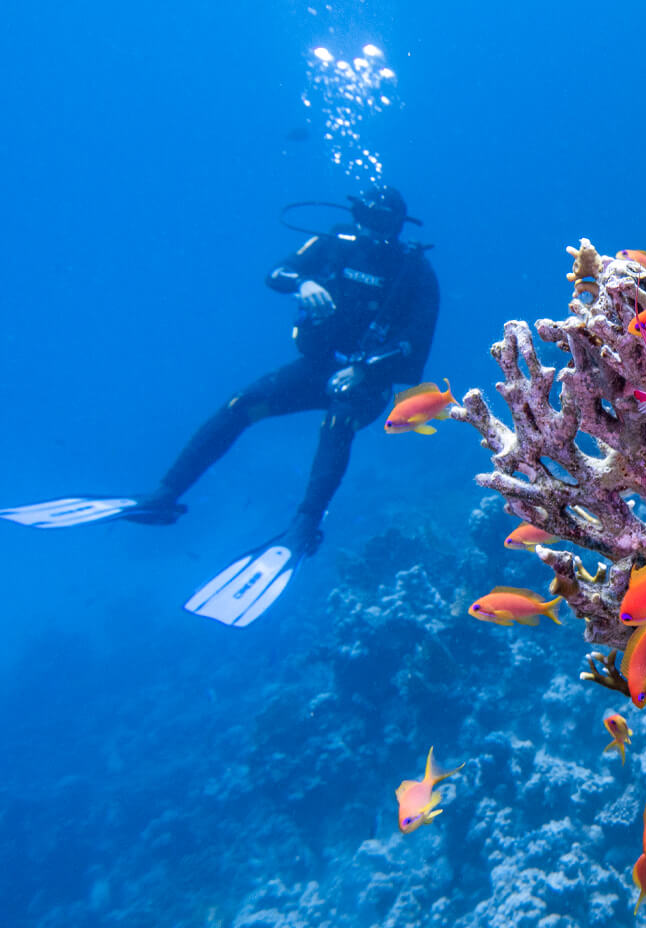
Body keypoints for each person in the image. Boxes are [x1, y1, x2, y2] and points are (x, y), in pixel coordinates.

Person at [1, 185, 440, 626]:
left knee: (338, 418)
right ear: (356, 214)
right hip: (316, 367)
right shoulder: (330, 245)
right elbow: (278, 273)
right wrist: (304, 281)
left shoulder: (414, 271)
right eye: (366, 216)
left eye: (383, 221)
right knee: (241, 405)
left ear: (399, 226)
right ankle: (164, 494)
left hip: (367, 383)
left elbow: (414, 345)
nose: (371, 228)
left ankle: (303, 527)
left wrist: (365, 371)